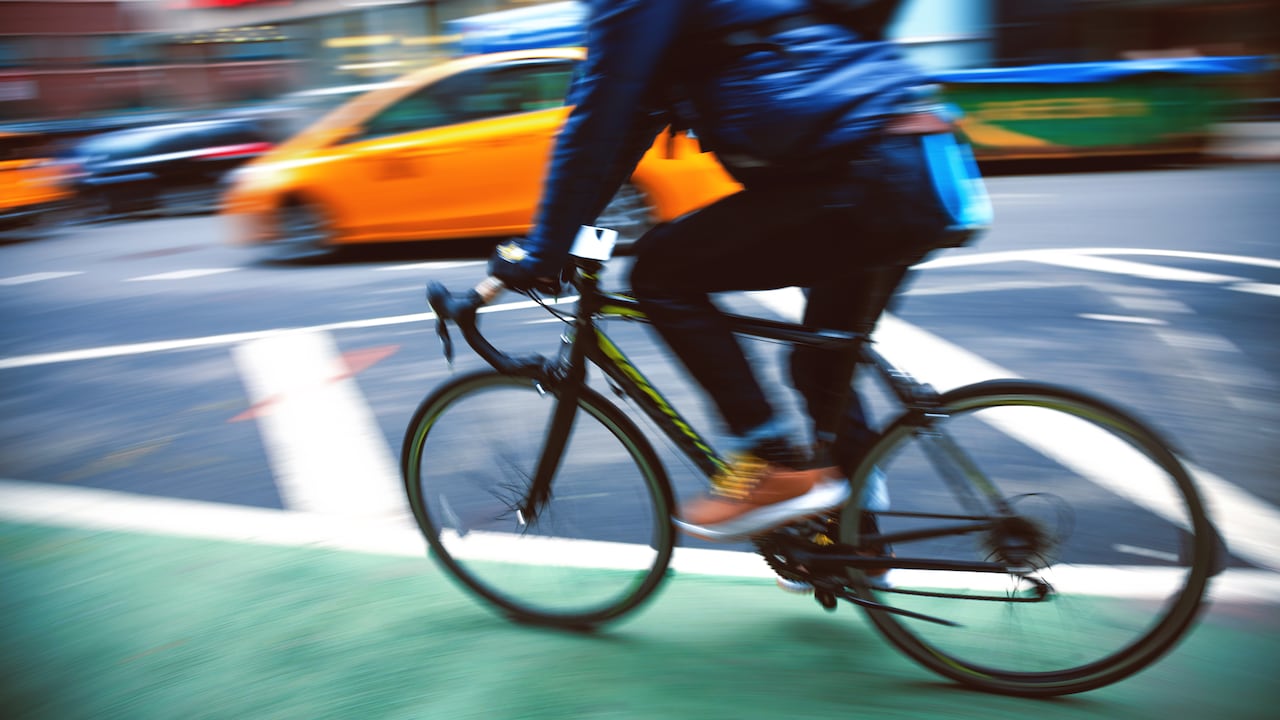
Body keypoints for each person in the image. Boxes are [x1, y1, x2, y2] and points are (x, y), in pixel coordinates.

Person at [485, 0, 990, 542]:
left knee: (660, 274)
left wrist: (542, 253)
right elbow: (628, 126)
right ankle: (856, 546)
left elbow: (600, 118)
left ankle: (772, 463)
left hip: (866, 175)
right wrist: (555, 242)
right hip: (924, 157)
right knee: (823, 361)